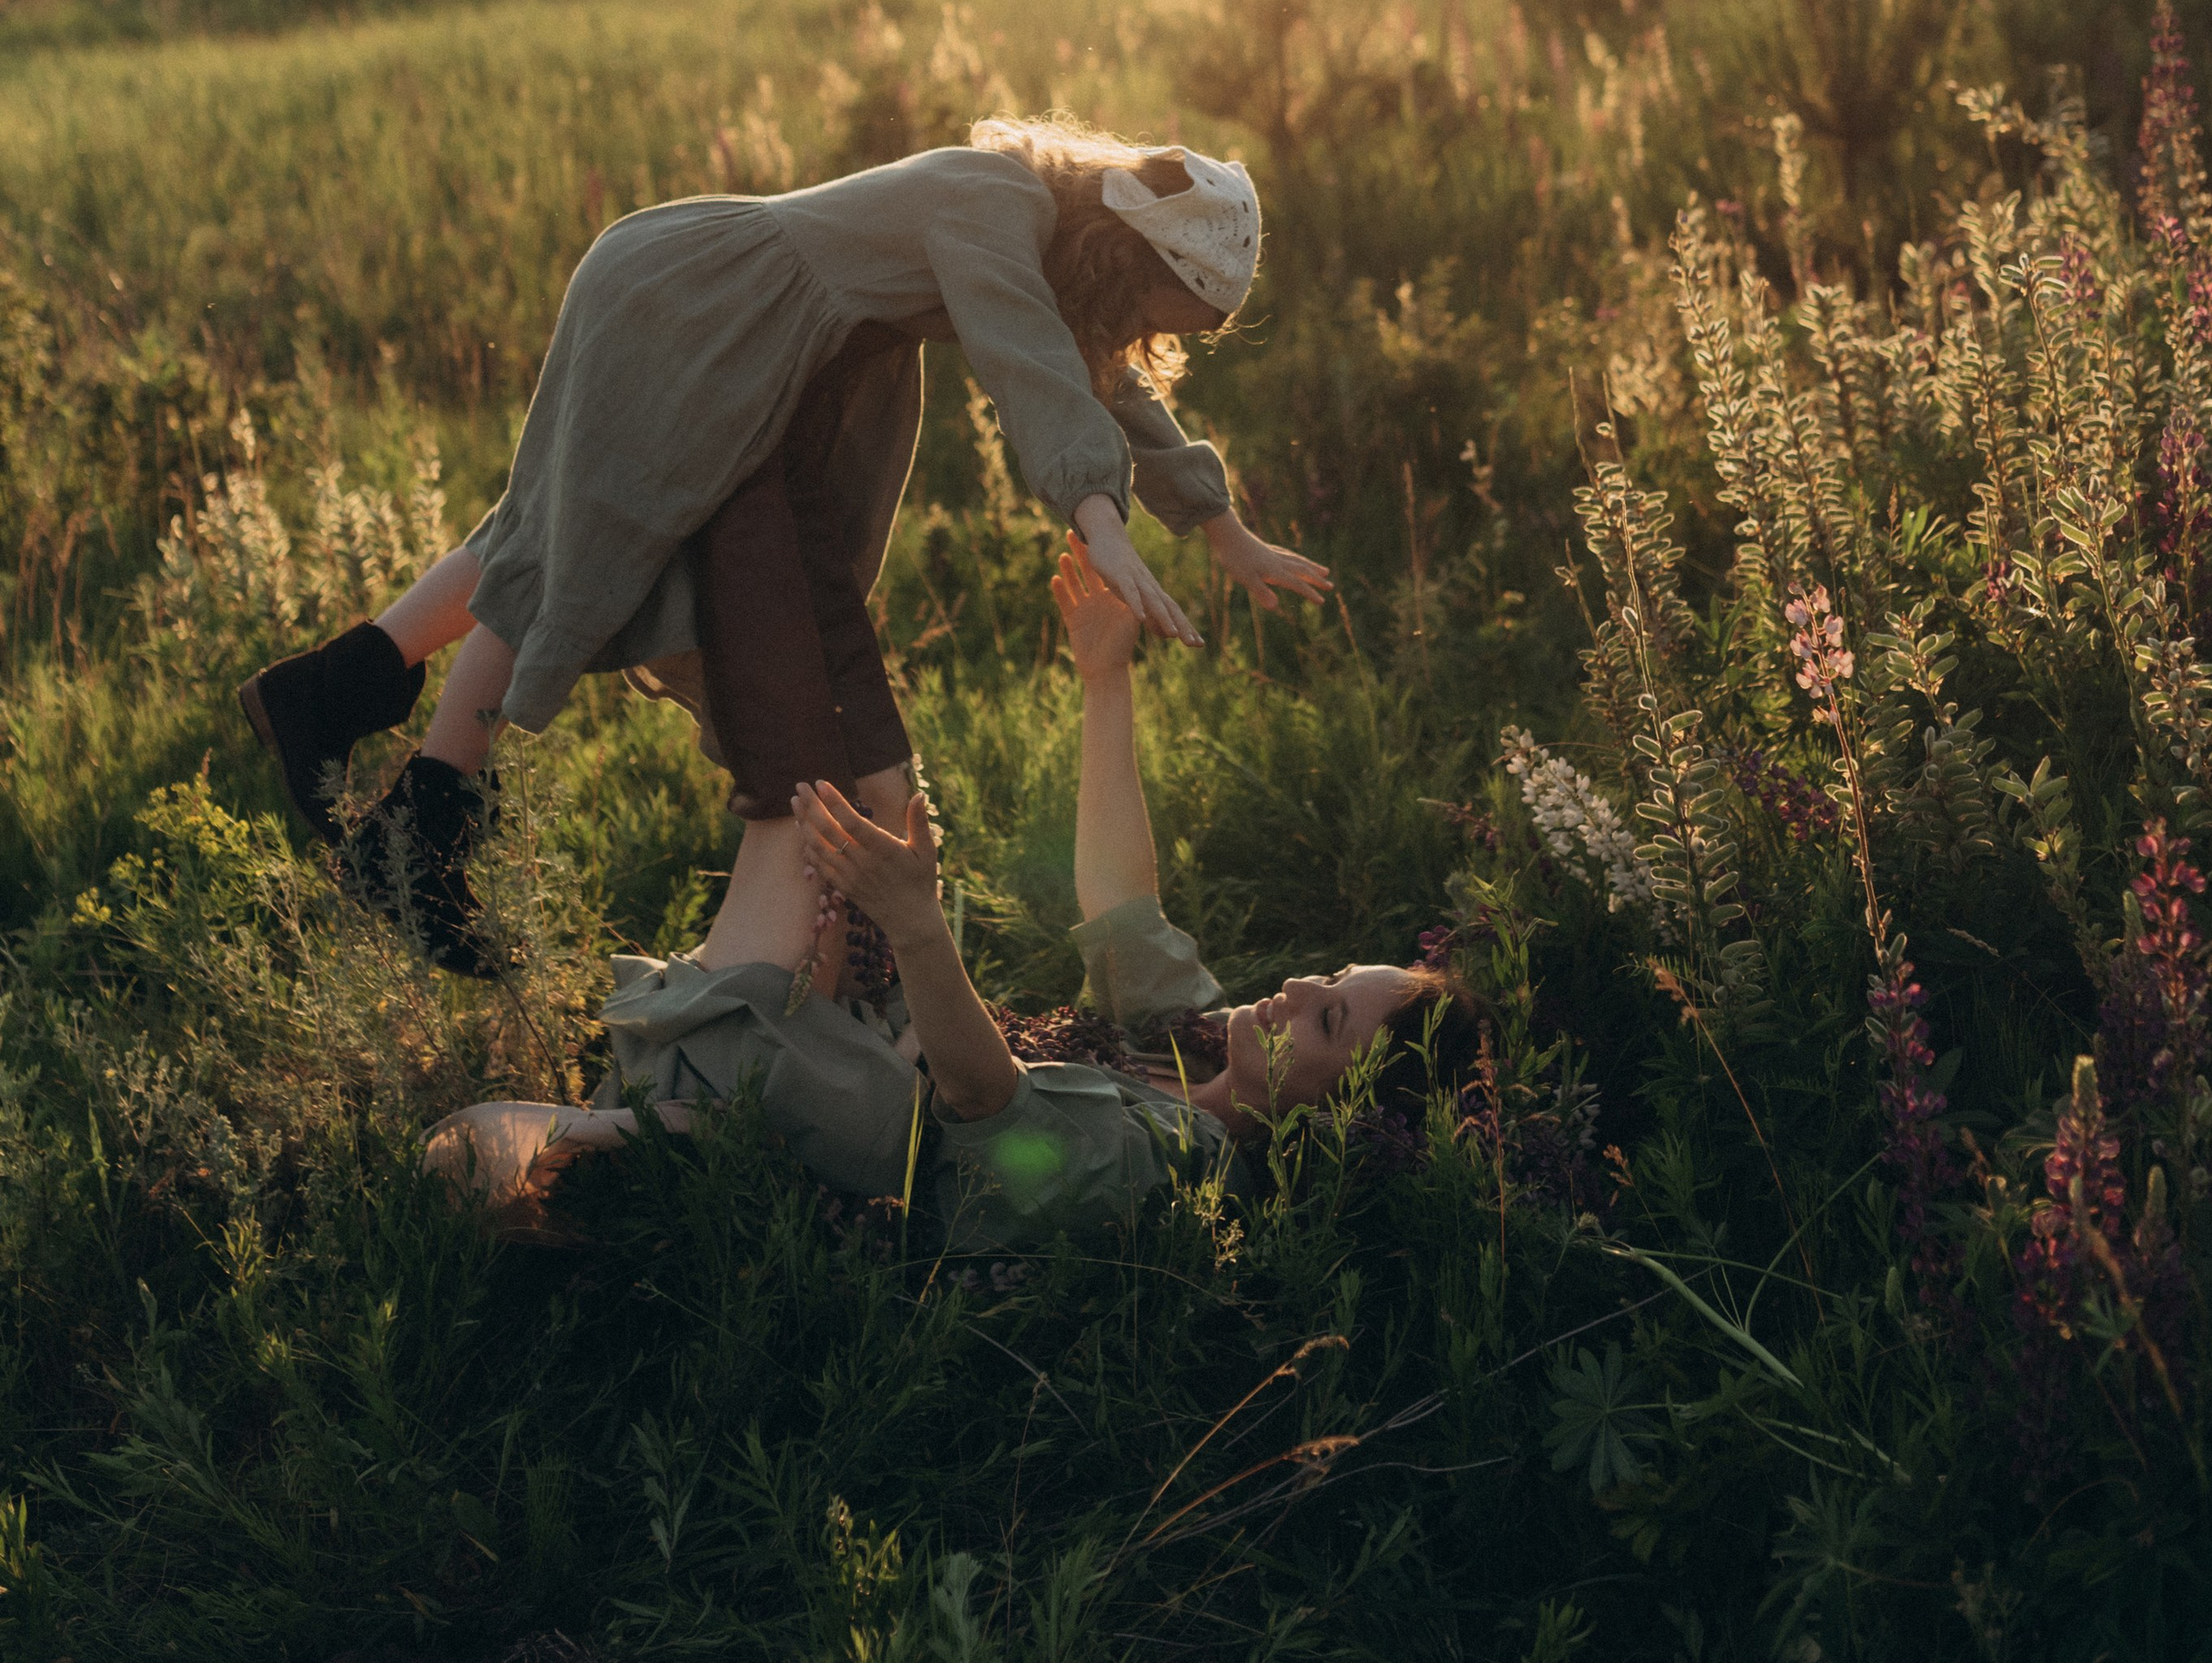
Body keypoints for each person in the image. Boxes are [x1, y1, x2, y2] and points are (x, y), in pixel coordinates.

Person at [240, 118, 1328, 972]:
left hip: (748, 329)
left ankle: (340, 688)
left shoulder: (1046, 240)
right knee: (577, 545)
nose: (1142, 341)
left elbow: (1095, 374)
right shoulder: (991, 199)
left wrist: (1223, 532)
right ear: (1125, 252)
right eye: (1156, 309)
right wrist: (1096, 510)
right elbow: (1026, 362)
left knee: (559, 524)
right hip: (694, 298)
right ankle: (418, 835)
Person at [425, 543, 1479, 1251]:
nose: (1298, 982)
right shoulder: (1196, 1048)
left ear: (1340, 1121)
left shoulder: (1184, 1170)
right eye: (1333, 975)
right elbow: (1122, 902)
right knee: (859, 763)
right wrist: (1106, 676)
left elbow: (987, 1104)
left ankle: (642, 599)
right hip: (857, 1036)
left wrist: (914, 920)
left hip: (807, 1087)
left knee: (809, 747)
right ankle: (681, 609)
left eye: (1331, 1013)